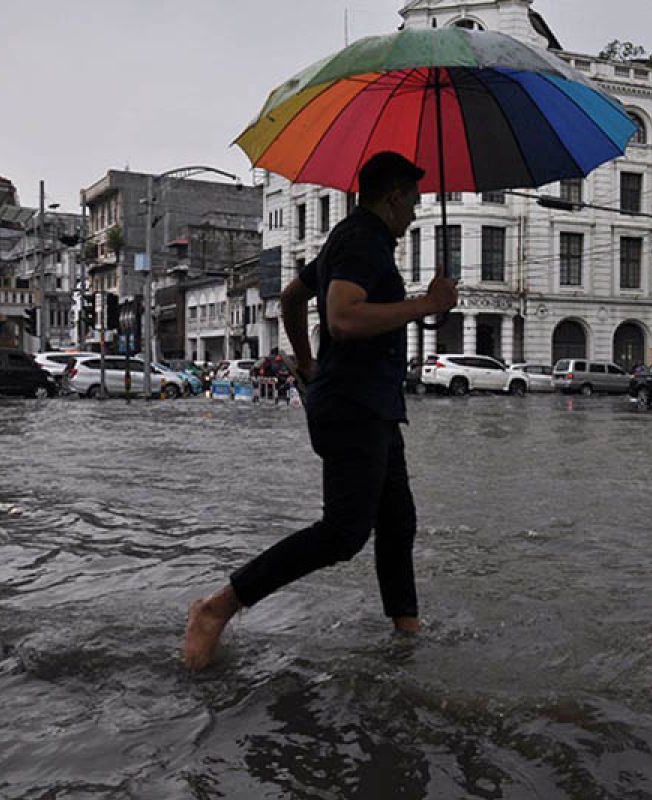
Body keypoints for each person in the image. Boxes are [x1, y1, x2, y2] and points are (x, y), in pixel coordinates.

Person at [183, 152, 458, 671]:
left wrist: (308, 367)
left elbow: (290, 299)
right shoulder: (362, 241)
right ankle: (217, 608)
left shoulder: (351, 238)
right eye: (415, 201)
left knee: (398, 522)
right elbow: (344, 318)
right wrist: (426, 304)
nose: (418, 213)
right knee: (343, 533)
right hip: (355, 405)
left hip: (369, 404)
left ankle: (407, 635)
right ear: (395, 196)